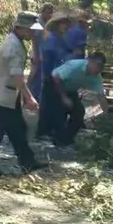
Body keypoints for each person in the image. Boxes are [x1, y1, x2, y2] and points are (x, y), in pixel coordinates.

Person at [0, 11, 49, 176]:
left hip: (7, 95)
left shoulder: (16, 41)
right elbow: (17, 77)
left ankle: (27, 162)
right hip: (2, 95)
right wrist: (28, 97)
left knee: (17, 129)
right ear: (21, 28)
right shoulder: (13, 46)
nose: (33, 33)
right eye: (31, 30)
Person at [46, 51, 108, 147]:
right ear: (90, 61)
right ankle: (55, 137)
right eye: (97, 65)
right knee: (59, 111)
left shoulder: (97, 78)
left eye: (101, 67)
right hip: (54, 83)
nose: (98, 69)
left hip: (70, 90)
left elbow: (101, 97)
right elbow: (56, 77)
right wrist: (63, 97)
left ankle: (67, 138)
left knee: (79, 112)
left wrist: (107, 116)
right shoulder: (75, 65)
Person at [36, 10, 72, 139]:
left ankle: (52, 131)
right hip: (51, 75)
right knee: (49, 104)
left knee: (56, 105)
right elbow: (48, 59)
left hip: (59, 75)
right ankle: (44, 131)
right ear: (57, 24)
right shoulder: (51, 39)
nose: (65, 26)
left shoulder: (60, 39)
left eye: (67, 24)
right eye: (63, 23)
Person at [28, 2, 55, 101]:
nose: (49, 15)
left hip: (45, 53)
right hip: (36, 53)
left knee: (41, 77)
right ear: (43, 12)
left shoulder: (49, 23)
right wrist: (36, 55)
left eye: (51, 13)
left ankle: (37, 97)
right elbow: (34, 38)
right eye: (47, 12)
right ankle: (26, 95)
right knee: (34, 75)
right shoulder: (37, 22)